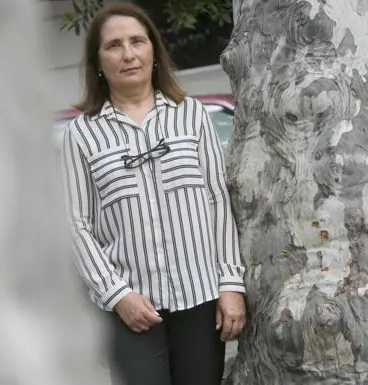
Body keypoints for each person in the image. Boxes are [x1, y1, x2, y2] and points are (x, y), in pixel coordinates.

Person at [59, 3, 246, 385]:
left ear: (153, 52)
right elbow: (76, 225)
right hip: (131, 309)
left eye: (136, 42)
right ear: (98, 61)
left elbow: (217, 201)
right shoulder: (81, 134)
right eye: (113, 46)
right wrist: (116, 294)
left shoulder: (191, 114)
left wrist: (230, 283)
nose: (128, 54)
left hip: (201, 298)